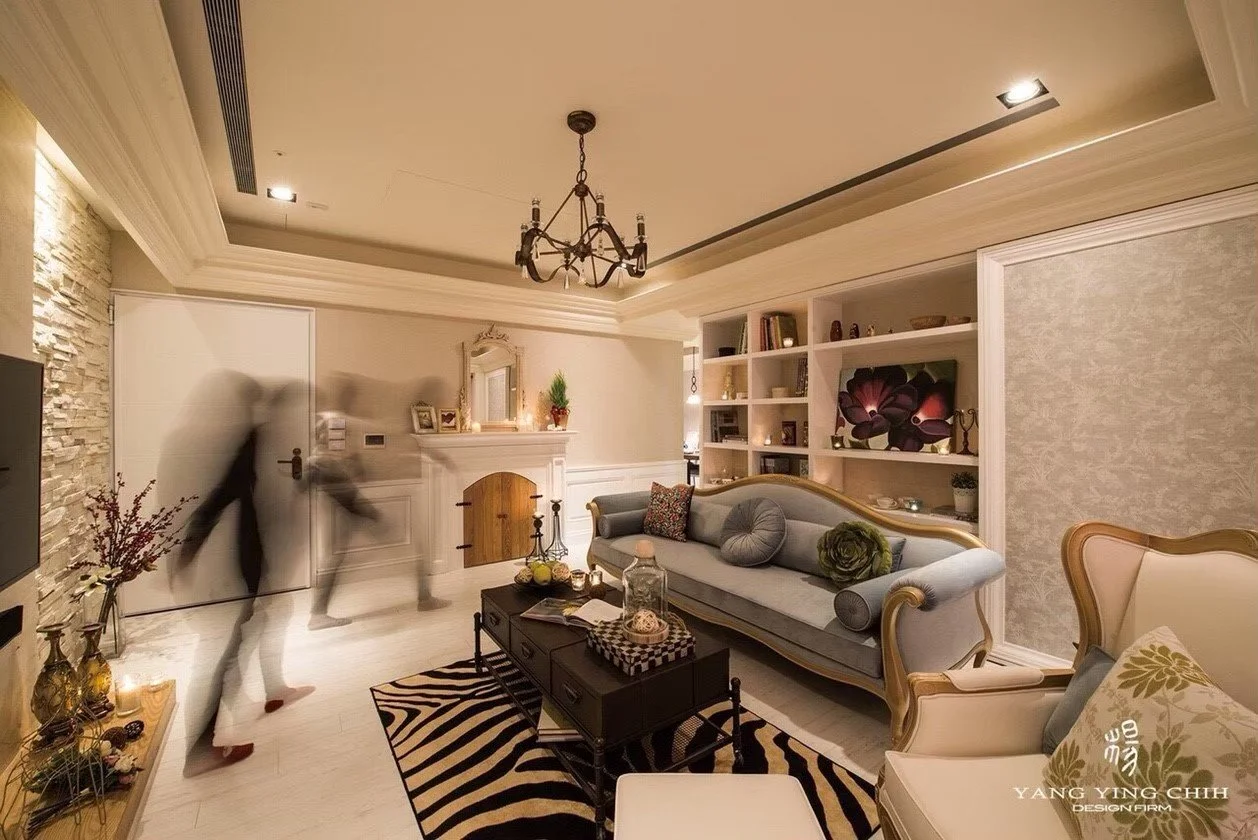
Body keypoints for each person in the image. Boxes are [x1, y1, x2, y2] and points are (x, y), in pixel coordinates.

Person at [173, 373, 313, 777]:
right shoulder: (240, 442)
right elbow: (220, 498)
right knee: (226, 649)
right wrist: (188, 555)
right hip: (239, 563)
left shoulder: (256, 439)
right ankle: (200, 749)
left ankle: (273, 689)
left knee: (268, 620)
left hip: (254, 559)